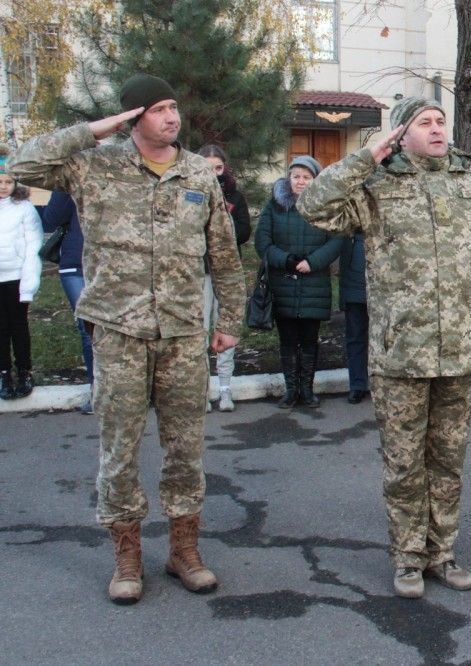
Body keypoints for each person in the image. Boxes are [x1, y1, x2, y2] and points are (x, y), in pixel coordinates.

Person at [8, 73, 245, 604]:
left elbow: (224, 254)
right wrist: (93, 130)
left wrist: (229, 319)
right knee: (119, 449)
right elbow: (21, 166)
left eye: (173, 107)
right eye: (158, 109)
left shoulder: (197, 172)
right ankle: (127, 557)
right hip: (118, 332)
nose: (172, 117)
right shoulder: (95, 165)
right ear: (134, 117)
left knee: (185, 449)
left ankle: (184, 550)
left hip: (182, 332)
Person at [296, 97, 471, 599]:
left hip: (458, 350)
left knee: (448, 462)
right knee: (404, 462)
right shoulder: (376, 186)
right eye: (423, 122)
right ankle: (409, 557)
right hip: (400, 353)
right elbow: (312, 206)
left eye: (440, 121)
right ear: (400, 134)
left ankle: (442, 552)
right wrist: (365, 158)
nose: (437, 129)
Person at [255, 155, 340, 409]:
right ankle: (291, 391)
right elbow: (263, 242)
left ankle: (308, 391)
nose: (300, 181)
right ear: (288, 178)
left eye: (306, 177)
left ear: (315, 180)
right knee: (288, 340)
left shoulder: (326, 206)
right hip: (283, 282)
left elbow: (337, 239)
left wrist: (313, 262)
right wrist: (287, 260)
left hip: (314, 282)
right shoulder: (275, 206)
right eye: (296, 176)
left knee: (310, 339)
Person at [196, 144, 251, 412]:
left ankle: (225, 389)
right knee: (200, 330)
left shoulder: (235, 196)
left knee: (226, 328)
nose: (214, 173)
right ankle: (202, 390)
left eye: (218, 168)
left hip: (226, 271)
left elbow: (244, 231)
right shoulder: (190, 193)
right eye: (208, 168)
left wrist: (223, 224)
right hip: (199, 271)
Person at [41, 191, 93, 411]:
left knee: (118, 329)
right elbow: (51, 220)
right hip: (75, 265)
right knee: (88, 328)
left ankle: (124, 390)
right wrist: (65, 188)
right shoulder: (69, 182)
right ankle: (98, 390)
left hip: (111, 266)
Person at [0, 147, 43, 401]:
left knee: (18, 326)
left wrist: (28, 283)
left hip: (16, 277)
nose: (3, 186)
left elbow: (32, 246)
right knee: (0, 329)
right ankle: (4, 373)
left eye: (8, 181)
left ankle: (25, 371)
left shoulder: (24, 209)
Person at [338, 231, 370, 404]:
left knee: (388, 339)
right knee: (356, 337)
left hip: (386, 291)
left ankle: (385, 383)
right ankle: (358, 385)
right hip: (354, 286)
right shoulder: (349, 230)